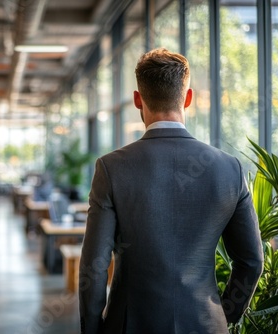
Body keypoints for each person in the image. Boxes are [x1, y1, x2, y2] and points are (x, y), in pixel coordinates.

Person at [78, 48, 264, 334]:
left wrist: (92, 329)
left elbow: (94, 267)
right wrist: (222, 315)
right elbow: (251, 261)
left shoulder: (111, 168)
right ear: (188, 99)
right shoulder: (229, 169)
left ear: (137, 100)